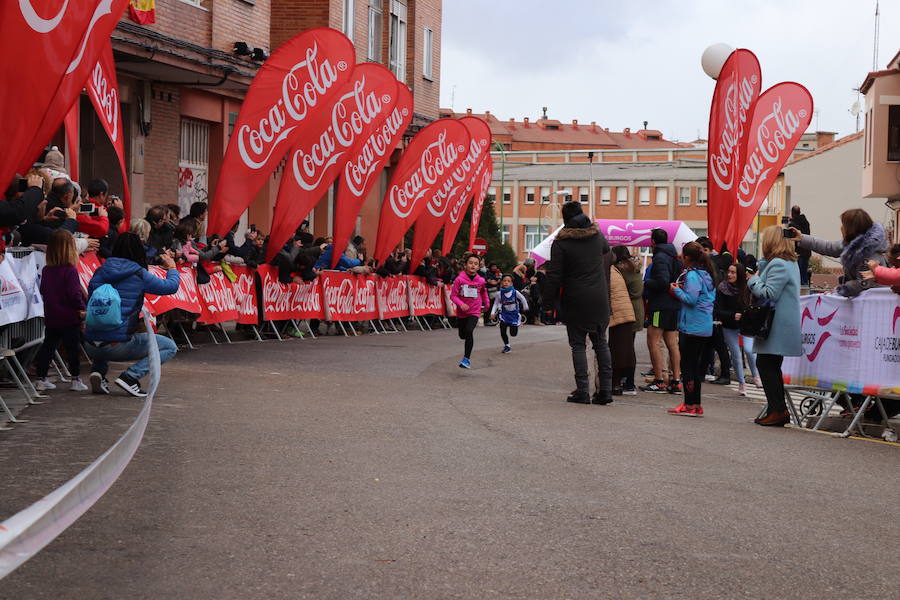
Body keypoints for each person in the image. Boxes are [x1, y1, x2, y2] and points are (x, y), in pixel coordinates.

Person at [84, 232, 181, 397]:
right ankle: (130, 377)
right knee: (169, 347)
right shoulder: (138, 274)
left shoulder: (100, 271)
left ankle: (99, 373)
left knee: (104, 320)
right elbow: (170, 287)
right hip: (117, 346)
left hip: (90, 345)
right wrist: (172, 268)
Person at [543, 201, 612, 405]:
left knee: (578, 345)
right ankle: (606, 391)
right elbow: (607, 250)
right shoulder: (597, 237)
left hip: (576, 299)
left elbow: (554, 276)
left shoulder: (561, 243)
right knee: (601, 343)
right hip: (600, 298)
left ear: (564, 219)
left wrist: (547, 302)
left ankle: (582, 391)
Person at [748, 225, 802, 427]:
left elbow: (770, 293)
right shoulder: (789, 263)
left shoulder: (778, 264)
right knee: (771, 365)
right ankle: (776, 409)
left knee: (766, 364)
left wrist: (752, 280)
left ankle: (778, 409)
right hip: (781, 323)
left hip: (774, 324)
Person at [33, 230, 88, 392]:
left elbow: (43, 290)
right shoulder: (70, 270)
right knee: (73, 349)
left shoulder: (47, 270)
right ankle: (75, 379)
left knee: (48, 347)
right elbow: (74, 294)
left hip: (51, 315)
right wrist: (81, 308)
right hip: (69, 316)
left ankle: (41, 378)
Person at [666, 242, 716, 417]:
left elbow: (691, 299)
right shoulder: (707, 275)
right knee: (695, 367)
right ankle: (695, 403)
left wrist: (676, 291)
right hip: (703, 326)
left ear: (687, 258)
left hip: (692, 326)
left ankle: (689, 404)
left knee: (688, 367)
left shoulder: (693, 276)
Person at [791, 208, 887, 297]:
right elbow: (829, 247)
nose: (841, 227)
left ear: (851, 228)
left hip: (874, 303)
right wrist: (802, 238)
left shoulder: (868, 254)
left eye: (843, 224)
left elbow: (861, 284)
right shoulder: (854, 244)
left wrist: (837, 291)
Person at [640, 228, 682, 394]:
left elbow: (662, 282)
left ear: (653, 242)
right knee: (672, 343)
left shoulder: (660, 257)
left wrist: (647, 282)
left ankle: (659, 381)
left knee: (653, 341)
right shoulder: (675, 257)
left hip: (660, 305)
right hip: (673, 304)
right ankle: (675, 381)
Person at [715, 262, 759, 396]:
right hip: (729, 325)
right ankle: (742, 383)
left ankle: (756, 376)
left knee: (749, 351)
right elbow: (718, 310)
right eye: (729, 271)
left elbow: (753, 305)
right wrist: (732, 315)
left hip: (746, 325)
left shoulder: (747, 288)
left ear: (739, 274)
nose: (729, 275)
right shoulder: (722, 288)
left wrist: (745, 314)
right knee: (736, 356)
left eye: (733, 272)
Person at [610, 246, 643, 395]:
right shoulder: (634, 266)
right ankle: (628, 382)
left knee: (622, 348)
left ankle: (625, 382)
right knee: (628, 347)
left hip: (627, 308)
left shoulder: (621, 269)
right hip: (636, 308)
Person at [449, 253, 490, 369]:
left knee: (469, 331)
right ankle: (466, 349)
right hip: (462, 312)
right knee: (462, 335)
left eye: (476, 264)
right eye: (471, 263)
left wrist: (487, 304)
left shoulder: (481, 280)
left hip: (474, 311)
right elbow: (453, 296)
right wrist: (461, 304)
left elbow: (483, 293)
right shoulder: (459, 280)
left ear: (478, 266)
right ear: (465, 265)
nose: (473, 265)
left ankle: (466, 359)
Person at [490, 273, 528, 353]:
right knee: (502, 329)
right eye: (504, 281)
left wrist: (525, 307)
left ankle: (514, 326)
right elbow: (496, 304)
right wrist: (492, 313)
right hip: (504, 315)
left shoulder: (515, 292)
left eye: (508, 281)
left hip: (514, 315)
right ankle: (507, 345)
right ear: (501, 282)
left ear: (511, 283)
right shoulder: (499, 294)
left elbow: (523, 299)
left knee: (513, 334)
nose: (506, 282)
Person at [788, 205, 812, 286]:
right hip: (807, 251)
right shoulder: (806, 222)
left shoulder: (793, 224)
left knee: (798, 276)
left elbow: (789, 239)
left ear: (792, 213)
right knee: (804, 274)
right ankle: (805, 293)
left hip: (798, 252)